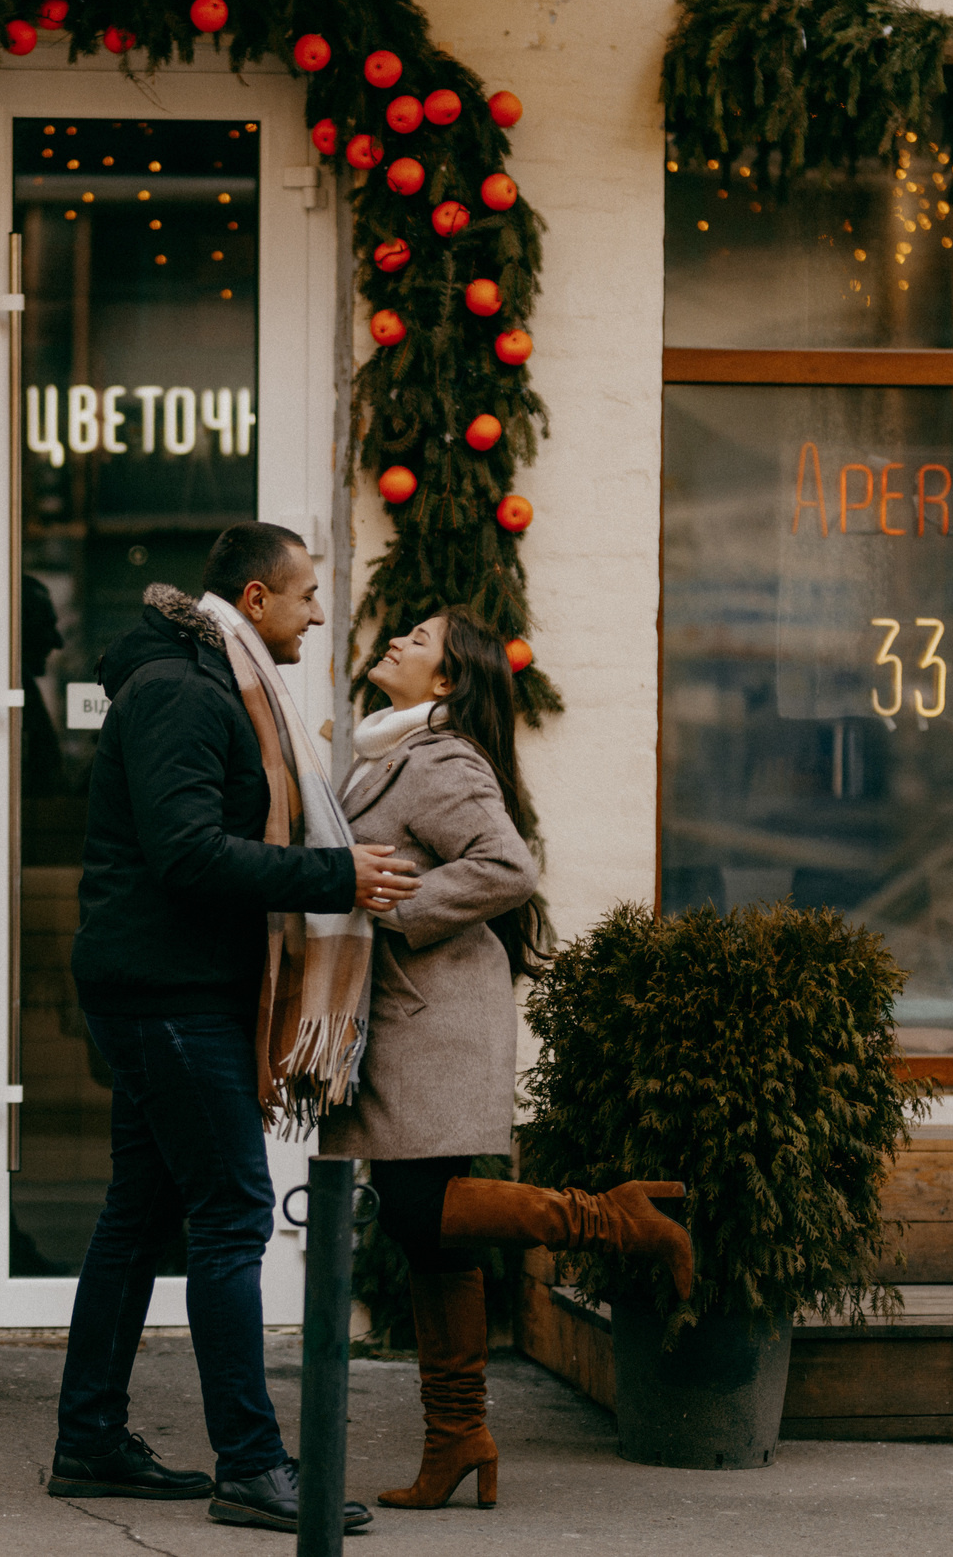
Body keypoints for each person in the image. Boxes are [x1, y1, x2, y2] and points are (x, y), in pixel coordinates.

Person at [47, 522, 419, 1535]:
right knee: (234, 1212)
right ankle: (251, 1466)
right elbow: (187, 854)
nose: (317, 615)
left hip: (170, 984)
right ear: (255, 600)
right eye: (306, 596)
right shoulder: (184, 692)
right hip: (166, 992)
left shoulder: (216, 684)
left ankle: (89, 1436)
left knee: (139, 1213)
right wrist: (337, 875)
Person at [322, 606, 697, 1512]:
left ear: (448, 681)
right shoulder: (387, 753)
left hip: (432, 1017)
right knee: (425, 1230)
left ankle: (611, 1217)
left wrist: (393, 902)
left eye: (419, 639)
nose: (398, 640)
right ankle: (458, 1435)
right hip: (409, 1016)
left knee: (418, 1206)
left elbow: (505, 866)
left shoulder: (439, 759)